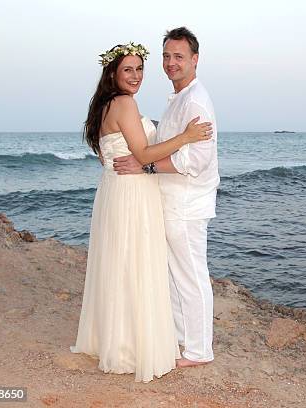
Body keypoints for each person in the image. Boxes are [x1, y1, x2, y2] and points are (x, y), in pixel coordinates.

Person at [70, 42, 212, 382]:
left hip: (114, 191)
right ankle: (132, 346)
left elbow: (116, 155)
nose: (136, 76)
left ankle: (119, 339)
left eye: (139, 68)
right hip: (132, 193)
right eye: (128, 69)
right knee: (134, 264)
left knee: (120, 263)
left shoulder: (104, 105)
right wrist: (186, 136)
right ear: (113, 74)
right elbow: (145, 154)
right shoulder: (123, 103)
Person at [113, 27, 219, 367]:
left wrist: (146, 167)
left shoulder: (196, 101)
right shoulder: (179, 98)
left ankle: (199, 351)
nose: (171, 63)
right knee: (175, 274)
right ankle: (181, 342)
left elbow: (197, 160)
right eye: (167, 56)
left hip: (187, 203)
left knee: (190, 275)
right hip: (171, 201)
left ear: (195, 60)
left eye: (179, 57)